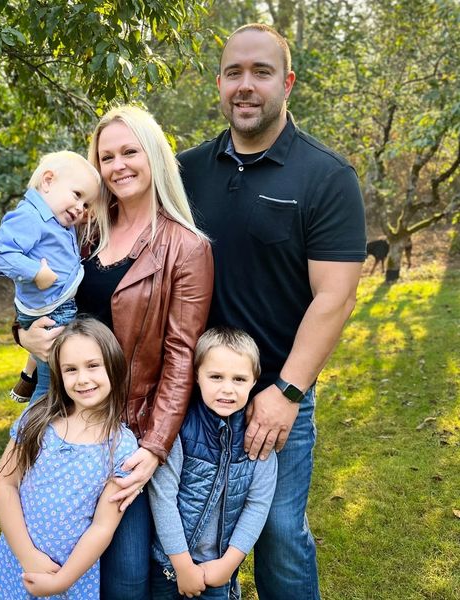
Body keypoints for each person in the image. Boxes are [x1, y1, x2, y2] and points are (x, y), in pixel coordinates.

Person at [178, 23, 367, 600]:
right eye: (233, 72)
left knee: (280, 535)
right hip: (193, 393)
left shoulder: (326, 176)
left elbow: (336, 297)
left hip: (278, 394)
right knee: (198, 533)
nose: (246, 85)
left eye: (261, 72)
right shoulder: (184, 172)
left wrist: (286, 392)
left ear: (286, 83)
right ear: (219, 83)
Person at [14, 105, 214, 598]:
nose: (118, 165)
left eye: (130, 152)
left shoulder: (187, 248)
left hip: (127, 431)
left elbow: (181, 357)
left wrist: (154, 446)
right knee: (44, 549)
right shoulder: (80, 231)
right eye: (106, 157)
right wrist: (23, 335)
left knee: (124, 574)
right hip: (61, 415)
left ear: (154, 156)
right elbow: (35, 299)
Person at [0, 318, 139, 599]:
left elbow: (102, 526)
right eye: (71, 369)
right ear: (59, 374)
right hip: (17, 562)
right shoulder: (38, 419)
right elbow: (4, 485)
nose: (82, 379)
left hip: (70, 573)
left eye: (93, 365)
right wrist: (27, 556)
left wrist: (62, 581)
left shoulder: (122, 445)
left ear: (114, 366)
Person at [149, 327, 277, 600]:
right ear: (197, 376)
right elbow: (163, 497)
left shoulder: (257, 438)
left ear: (254, 381)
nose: (227, 389)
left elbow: (257, 506)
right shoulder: (179, 430)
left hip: (218, 568)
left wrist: (227, 565)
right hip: (169, 564)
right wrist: (182, 566)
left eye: (239, 379)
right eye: (216, 377)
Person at [0, 151, 100, 403]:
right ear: (47, 181)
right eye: (77, 195)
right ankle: (31, 425)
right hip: (52, 311)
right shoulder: (29, 217)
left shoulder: (56, 219)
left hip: (57, 305)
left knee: (61, 382)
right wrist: (36, 272)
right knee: (52, 388)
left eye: (86, 204)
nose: (80, 208)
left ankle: (29, 382)